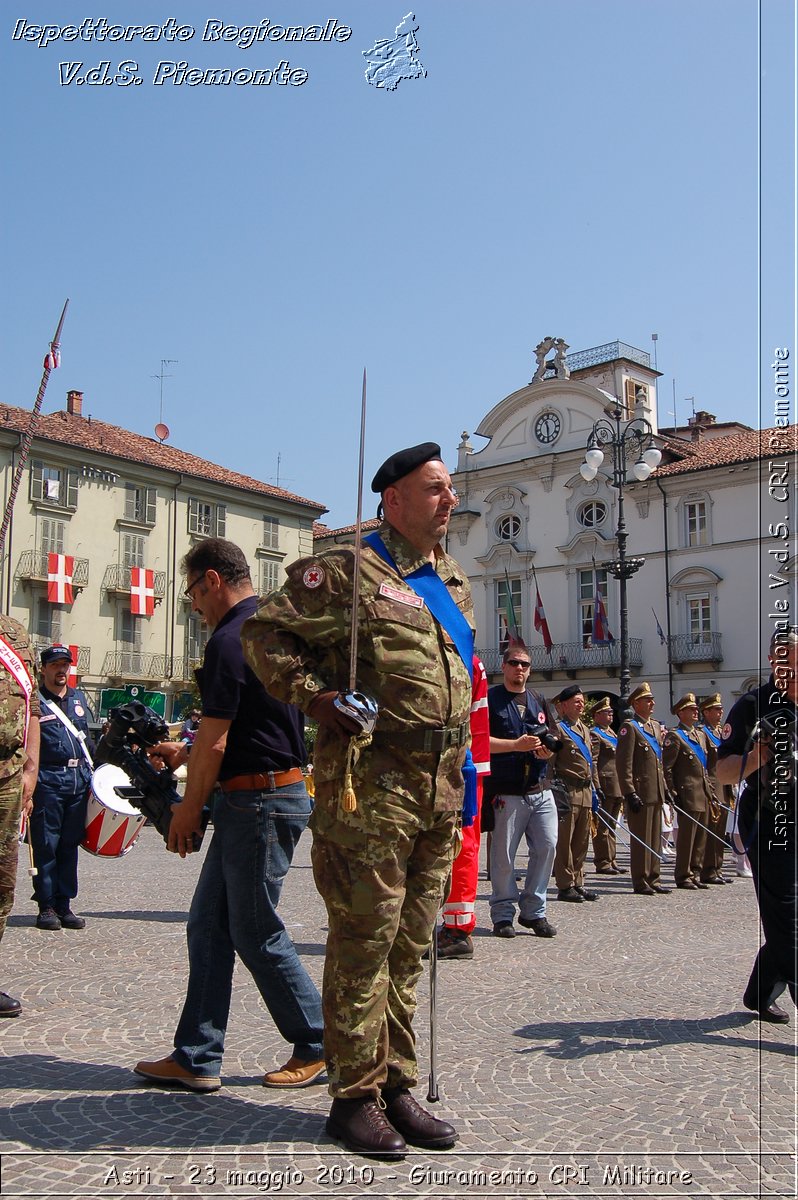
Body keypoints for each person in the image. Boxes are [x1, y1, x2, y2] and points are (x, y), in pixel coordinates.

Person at [243, 441, 471, 1159]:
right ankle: (352, 1097)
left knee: (410, 947)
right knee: (364, 943)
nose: (450, 500)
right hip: (369, 788)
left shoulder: (450, 580)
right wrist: (315, 697)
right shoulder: (345, 569)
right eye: (435, 489)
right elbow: (264, 632)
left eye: (451, 489)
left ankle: (396, 1083)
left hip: (437, 790)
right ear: (393, 500)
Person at [133, 538, 324, 1091]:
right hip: (268, 793)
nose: (193, 604)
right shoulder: (270, 629)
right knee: (210, 927)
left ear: (213, 580)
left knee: (255, 930)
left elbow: (218, 741)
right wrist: (185, 752)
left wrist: (188, 810)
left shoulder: (228, 639)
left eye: (193, 591)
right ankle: (197, 1054)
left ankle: (320, 1041)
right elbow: (244, 727)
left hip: (257, 800)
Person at [716, 626, 797, 1024]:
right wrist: (761, 755)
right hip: (770, 822)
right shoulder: (752, 706)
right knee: (787, 919)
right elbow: (724, 773)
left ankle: (760, 991)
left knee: (789, 922)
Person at [484, 645, 558, 937]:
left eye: (525, 664)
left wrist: (546, 753)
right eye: (514, 663)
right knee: (503, 856)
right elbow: (478, 741)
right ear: (503, 666)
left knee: (547, 846)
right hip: (507, 790)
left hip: (540, 789)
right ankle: (503, 914)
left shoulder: (539, 699)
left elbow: (553, 740)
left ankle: (534, 911)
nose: (519, 669)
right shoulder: (491, 699)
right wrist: (515, 745)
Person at [30, 645, 94, 931]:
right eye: (55, 665)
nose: (61, 670)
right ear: (43, 669)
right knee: (47, 844)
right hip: (48, 780)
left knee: (69, 844)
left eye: (65, 665)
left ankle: (65, 904)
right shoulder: (36, 702)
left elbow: (89, 742)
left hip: (77, 780)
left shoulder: (78, 699)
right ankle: (46, 905)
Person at [436, 654, 490, 959]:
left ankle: (457, 929)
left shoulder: (465, 658)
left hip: (460, 766)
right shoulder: (469, 657)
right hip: (462, 765)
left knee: (461, 847)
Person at [0, 614, 40, 1015]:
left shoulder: (14, 635)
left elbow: (32, 709)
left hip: (8, 779)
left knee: (2, 884)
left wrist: (31, 768)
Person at [616, 682, 670, 896]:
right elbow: (624, 763)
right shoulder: (629, 727)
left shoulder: (654, 727)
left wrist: (665, 790)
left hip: (655, 790)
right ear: (636, 703)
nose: (652, 703)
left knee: (655, 838)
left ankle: (654, 877)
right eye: (647, 700)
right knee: (641, 839)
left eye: (652, 699)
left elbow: (658, 763)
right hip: (640, 790)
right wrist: (629, 792)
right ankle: (640, 879)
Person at [551, 685, 601, 903]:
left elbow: (592, 764)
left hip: (585, 790)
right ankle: (565, 884)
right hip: (567, 790)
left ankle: (578, 881)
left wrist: (597, 789)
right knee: (565, 841)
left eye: (582, 701)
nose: (580, 704)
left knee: (582, 841)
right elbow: (551, 764)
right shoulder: (559, 730)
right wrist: (553, 790)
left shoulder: (585, 730)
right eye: (575, 701)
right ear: (563, 706)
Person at [662, 693, 714, 891]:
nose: (696, 712)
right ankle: (683, 875)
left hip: (702, 792)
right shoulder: (675, 736)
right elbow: (667, 768)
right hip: (687, 793)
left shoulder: (699, 735)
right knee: (687, 838)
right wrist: (673, 793)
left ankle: (696, 872)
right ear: (681, 713)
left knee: (700, 836)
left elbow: (704, 768)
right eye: (691, 709)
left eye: (696, 709)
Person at [698, 693, 734, 883]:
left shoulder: (721, 732)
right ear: (707, 712)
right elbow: (703, 763)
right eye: (716, 709)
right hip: (712, 785)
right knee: (711, 830)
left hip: (724, 786)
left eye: (721, 709)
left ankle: (717, 868)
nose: (721, 712)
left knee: (720, 831)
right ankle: (708, 870)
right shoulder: (702, 733)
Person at [589, 697, 626, 875]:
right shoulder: (595, 734)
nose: (610, 714)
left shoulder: (612, 733)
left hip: (616, 784)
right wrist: (596, 785)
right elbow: (593, 762)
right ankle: (603, 861)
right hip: (605, 783)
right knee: (602, 827)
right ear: (597, 715)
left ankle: (612, 859)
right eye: (606, 712)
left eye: (611, 712)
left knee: (611, 825)